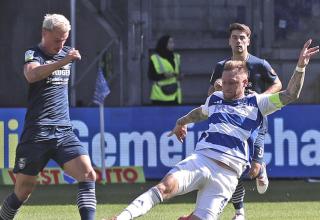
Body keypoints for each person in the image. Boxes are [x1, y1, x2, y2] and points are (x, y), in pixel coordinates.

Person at [105, 39, 318, 220]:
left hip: (228, 175)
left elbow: (290, 94)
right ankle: (122, 217)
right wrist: (181, 122)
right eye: (224, 82)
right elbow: (199, 113)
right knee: (164, 187)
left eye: (232, 83)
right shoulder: (215, 97)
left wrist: (300, 67)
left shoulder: (258, 102)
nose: (226, 87)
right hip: (201, 159)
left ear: (245, 82)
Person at [0, 14, 96, 220]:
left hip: (63, 131)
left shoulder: (66, 52)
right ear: (45, 33)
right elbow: (32, 75)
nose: (61, 44)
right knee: (22, 193)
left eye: (64, 40)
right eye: (57, 40)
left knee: (88, 175)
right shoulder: (33, 53)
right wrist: (63, 61)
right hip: (37, 132)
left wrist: (65, 57)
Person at [148, 35, 182, 105]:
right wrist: (164, 75)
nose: (173, 44)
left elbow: (178, 73)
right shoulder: (155, 58)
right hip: (159, 97)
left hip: (174, 96)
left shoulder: (176, 57)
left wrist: (179, 76)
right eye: (170, 42)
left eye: (173, 42)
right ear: (164, 44)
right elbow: (151, 76)